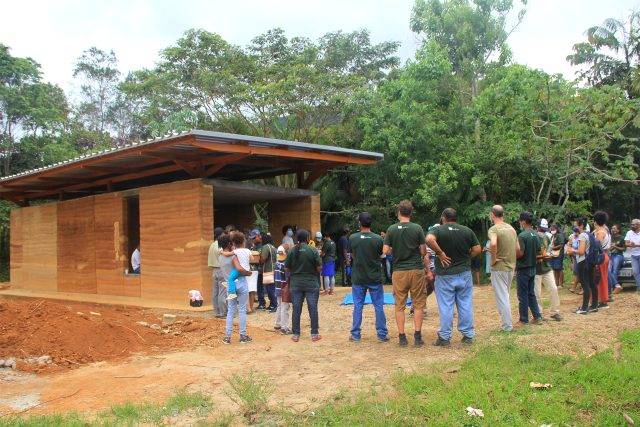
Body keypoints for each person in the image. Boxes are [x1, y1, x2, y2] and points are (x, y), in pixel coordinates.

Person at [427, 208, 481, 346]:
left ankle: (444, 338)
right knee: (465, 304)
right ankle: (468, 336)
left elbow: (429, 239)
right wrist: (467, 257)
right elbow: (477, 249)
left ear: (443, 218)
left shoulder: (438, 230)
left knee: (446, 306)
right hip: (464, 273)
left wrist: (440, 253)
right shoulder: (466, 230)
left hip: (445, 275)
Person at [384, 200, 428, 347]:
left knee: (399, 305)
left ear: (399, 213)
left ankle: (402, 337)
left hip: (399, 271)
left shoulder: (391, 229)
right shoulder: (417, 228)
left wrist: (395, 249)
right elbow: (423, 251)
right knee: (418, 304)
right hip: (416, 269)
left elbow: (386, 251)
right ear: (411, 212)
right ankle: (417, 336)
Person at [348, 212, 389, 343]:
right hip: (374, 277)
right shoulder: (378, 239)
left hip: (358, 277)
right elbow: (382, 255)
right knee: (378, 306)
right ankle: (382, 334)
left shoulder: (353, 238)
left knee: (358, 306)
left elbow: (352, 255)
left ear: (360, 223)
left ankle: (355, 334)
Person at [286, 229, 323, 342]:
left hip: (296, 284)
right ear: (307, 238)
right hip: (311, 283)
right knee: (313, 308)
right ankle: (314, 334)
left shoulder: (292, 251)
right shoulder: (313, 250)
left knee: (296, 309)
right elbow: (319, 268)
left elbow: (286, 268)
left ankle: (296, 334)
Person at [487, 205, 517, 332]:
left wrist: (493, 259)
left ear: (492, 215)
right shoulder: (511, 228)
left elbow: (493, 243)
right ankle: (507, 324)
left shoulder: (493, 229)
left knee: (502, 297)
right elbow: (517, 248)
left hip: (499, 267)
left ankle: (507, 326)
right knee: (506, 295)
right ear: (502, 214)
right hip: (511, 266)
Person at [222, 232, 253, 344]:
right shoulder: (236, 256)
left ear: (233, 243)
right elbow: (244, 266)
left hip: (230, 284)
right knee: (242, 310)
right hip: (241, 282)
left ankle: (227, 337)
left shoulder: (222, 257)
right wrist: (248, 272)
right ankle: (243, 336)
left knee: (230, 310)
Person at [515, 211, 543, 325]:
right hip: (533, 267)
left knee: (522, 295)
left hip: (523, 268)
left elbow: (520, 253)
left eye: (520, 221)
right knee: (531, 293)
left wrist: (513, 253)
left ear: (523, 222)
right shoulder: (535, 234)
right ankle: (537, 317)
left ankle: (523, 319)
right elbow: (539, 251)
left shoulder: (522, 236)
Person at [566, 217, 598, 314]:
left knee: (585, 284)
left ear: (581, 225)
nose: (575, 226)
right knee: (592, 283)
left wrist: (572, 250)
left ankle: (584, 308)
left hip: (583, 262)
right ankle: (594, 305)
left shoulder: (582, 236)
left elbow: (581, 251)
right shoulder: (590, 234)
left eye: (576, 224)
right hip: (591, 262)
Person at [534, 219, 563, 321]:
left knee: (553, 289)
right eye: (541, 229)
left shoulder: (547, 237)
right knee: (537, 293)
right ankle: (538, 314)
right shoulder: (534, 237)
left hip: (546, 268)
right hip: (536, 270)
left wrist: (549, 255)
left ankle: (555, 312)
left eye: (544, 230)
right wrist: (542, 256)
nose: (543, 231)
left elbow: (549, 250)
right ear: (537, 227)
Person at [593, 211, 611, 308]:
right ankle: (602, 299)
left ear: (595, 221)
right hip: (604, 255)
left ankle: (602, 300)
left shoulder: (600, 232)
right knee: (602, 278)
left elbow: (596, 247)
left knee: (599, 278)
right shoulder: (605, 230)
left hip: (599, 257)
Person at [208, 227, 227, 318]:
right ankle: (223, 312)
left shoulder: (212, 245)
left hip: (214, 270)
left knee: (215, 292)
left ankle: (217, 312)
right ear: (221, 234)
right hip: (221, 269)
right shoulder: (220, 246)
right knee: (222, 292)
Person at [274, 245, 291, 334]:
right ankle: (284, 327)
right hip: (284, 288)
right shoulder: (285, 265)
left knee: (279, 306)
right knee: (285, 307)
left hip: (277, 287)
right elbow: (287, 277)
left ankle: (278, 324)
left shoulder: (276, 263)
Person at [248, 229, 266, 310]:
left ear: (259, 236)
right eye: (252, 238)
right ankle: (261, 302)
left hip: (261, 269)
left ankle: (262, 303)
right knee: (259, 287)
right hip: (256, 269)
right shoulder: (254, 246)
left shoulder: (262, 246)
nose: (253, 239)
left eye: (254, 238)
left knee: (260, 287)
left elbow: (260, 259)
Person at [260, 233, 278, 312]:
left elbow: (263, 259)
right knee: (272, 288)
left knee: (270, 289)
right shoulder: (273, 247)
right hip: (274, 269)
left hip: (268, 270)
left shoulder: (265, 247)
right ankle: (272, 305)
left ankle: (274, 305)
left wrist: (259, 260)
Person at [609, 224, 626, 295]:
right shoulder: (609, 237)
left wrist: (615, 247)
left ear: (618, 230)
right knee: (609, 270)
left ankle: (614, 287)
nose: (612, 230)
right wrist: (611, 248)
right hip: (610, 255)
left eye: (614, 228)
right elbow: (608, 249)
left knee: (615, 270)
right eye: (612, 228)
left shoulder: (621, 238)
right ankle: (615, 286)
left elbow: (624, 249)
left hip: (618, 255)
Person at [549, 224, 567, 288]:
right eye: (551, 229)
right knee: (555, 269)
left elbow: (561, 244)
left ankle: (561, 284)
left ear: (556, 229)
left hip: (559, 254)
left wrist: (553, 248)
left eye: (553, 229)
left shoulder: (559, 235)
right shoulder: (552, 236)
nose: (552, 230)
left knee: (559, 269)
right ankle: (556, 283)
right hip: (553, 254)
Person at [625, 218, 640, 292]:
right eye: (632, 224)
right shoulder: (629, 233)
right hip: (633, 255)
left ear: (639, 225)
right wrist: (630, 244)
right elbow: (626, 243)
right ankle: (639, 286)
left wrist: (635, 245)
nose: (632, 226)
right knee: (635, 272)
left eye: (634, 225)